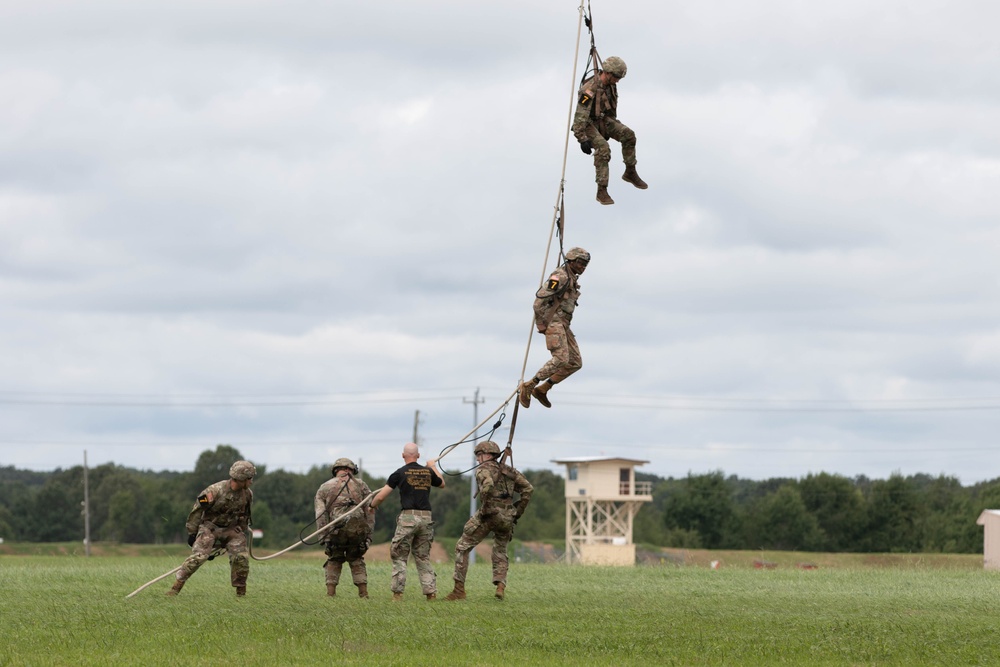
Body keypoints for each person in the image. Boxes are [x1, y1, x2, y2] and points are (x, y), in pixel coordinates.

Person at [444, 441, 532, 601]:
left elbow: (488, 484)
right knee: (500, 550)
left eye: (479, 455)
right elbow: (528, 488)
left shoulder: (483, 470)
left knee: (462, 547)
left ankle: (458, 591)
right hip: (507, 516)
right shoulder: (509, 471)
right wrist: (518, 511)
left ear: (487, 454)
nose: (478, 459)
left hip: (489, 513)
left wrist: (485, 505)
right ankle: (500, 585)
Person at [167, 460, 256, 597]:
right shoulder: (213, 491)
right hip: (210, 529)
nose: (251, 481)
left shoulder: (248, 494)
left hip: (231, 530)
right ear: (240, 478)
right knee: (199, 557)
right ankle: (175, 589)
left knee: (241, 558)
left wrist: (241, 530)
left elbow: (245, 514)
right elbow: (197, 510)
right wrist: (192, 533)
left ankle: (241, 595)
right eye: (249, 478)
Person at [370, 442, 445, 601]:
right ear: (418, 456)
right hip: (426, 518)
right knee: (422, 556)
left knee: (399, 555)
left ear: (403, 455)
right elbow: (442, 483)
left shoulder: (398, 473)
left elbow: (381, 496)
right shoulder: (428, 472)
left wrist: (372, 506)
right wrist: (432, 466)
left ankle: (398, 594)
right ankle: (431, 593)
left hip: (408, 518)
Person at [519, 247, 590, 409]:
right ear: (571, 261)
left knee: (575, 362)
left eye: (585, 264)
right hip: (554, 321)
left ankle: (543, 388)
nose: (582, 267)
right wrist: (541, 322)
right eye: (580, 263)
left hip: (564, 323)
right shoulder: (560, 277)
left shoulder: (571, 278)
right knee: (561, 358)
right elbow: (538, 301)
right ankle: (530, 385)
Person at [572, 56, 647, 205]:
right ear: (608, 73)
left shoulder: (611, 85)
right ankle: (602, 190)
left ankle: (630, 172)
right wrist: (582, 138)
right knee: (603, 149)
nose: (618, 81)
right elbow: (580, 114)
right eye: (617, 77)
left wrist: (614, 126)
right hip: (587, 123)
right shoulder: (589, 89)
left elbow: (611, 107)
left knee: (629, 135)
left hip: (604, 119)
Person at [314, 457, 375, 598]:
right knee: (356, 558)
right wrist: (368, 535)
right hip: (358, 531)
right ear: (351, 470)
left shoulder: (324, 487)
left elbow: (320, 514)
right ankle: (363, 594)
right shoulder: (361, 485)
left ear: (336, 470)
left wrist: (324, 536)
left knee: (334, 558)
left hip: (336, 531)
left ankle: (331, 594)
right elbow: (370, 511)